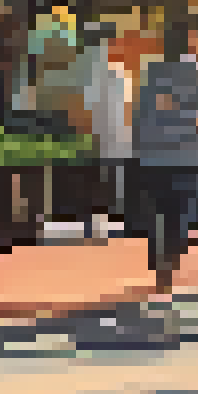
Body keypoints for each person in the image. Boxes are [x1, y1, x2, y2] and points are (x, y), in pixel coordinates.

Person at [132, 12, 198, 301]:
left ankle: (164, 268)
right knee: (174, 216)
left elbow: (153, 113)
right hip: (177, 156)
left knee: (171, 216)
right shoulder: (189, 73)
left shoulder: (164, 71)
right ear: (193, 39)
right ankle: (165, 269)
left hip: (170, 156)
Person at [73, 21, 137, 242]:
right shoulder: (118, 72)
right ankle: (117, 229)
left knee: (97, 188)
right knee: (115, 188)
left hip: (99, 140)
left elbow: (83, 109)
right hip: (115, 140)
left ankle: (96, 229)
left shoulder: (87, 72)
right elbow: (128, 107)